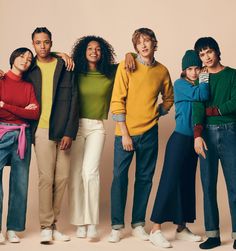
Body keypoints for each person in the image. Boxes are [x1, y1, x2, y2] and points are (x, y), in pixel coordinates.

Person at [109, 27, 174, 243]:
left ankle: (138, 224)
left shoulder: (162, 71)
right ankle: (117, 226)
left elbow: (169, 98)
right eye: (139, 42)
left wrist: (157, 112)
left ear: (155, 43)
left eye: (147, 41)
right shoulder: (126, 66)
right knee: (119, 178)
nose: (143, 45)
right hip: (124, 133)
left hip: (149, 133)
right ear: (135, 46)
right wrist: (125, 135)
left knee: (144, 179)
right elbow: (117, 100)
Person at [69, 35, 135, 240]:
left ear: (103, 52)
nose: (94, 52)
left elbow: (131, 61)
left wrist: (129, 53)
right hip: (75, 126)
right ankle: (79, 222)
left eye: (98, 49)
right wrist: (60, 53)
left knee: (90, 173)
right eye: (90, 48)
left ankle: (91, 223)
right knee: (76, 175)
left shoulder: (109, 72)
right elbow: (48, 58)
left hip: (97, 126)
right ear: (83, 51)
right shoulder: (75, 72)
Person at [149, 50, 210, 248]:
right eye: (190, 69)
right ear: (184, 70)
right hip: (179, 140)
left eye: (197, 68)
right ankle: (155, 229)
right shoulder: (180, 84)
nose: (193, 72)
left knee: (186, 182)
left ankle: (181, 228)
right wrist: (204, 77)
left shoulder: (196, 82)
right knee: (169, 181)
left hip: (195, 140)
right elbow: (203, 94)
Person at [27, 27, 79, 244]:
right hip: (41, 129)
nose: (42, 46)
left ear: (51, 42)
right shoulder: (29, 68)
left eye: (46, 42)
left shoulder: (64, 65)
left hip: (62, 129)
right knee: (46, 178)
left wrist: (69, 132)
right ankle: (46, 225)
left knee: (63, 177)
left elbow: (75, 100)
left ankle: (54, 223)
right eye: (38, 42)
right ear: (33, 44)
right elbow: (12, 74)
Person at [193, 37, 236, 250]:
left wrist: (216, 110)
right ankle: (213, 235)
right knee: (208, 185)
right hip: (206, 135)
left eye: (209, 52)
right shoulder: (202, 77)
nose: (206, 57)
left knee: (235, 186)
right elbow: (199, 106)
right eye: (202, 54)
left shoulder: (232, 74)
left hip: (230, 131)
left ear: (217, 52)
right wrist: (197, 136)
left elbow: (235, 102)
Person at [0, 47, 40, 243]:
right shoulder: (1, 80)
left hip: (23, 135)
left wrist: (5, 106)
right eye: (22, 56)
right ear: (13, 57)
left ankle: (13, 228)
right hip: (1, 133)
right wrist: (21, 110)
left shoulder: (28, 86)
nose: (25, 59)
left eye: (29, 58)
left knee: (20, 182)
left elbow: (34, 114)